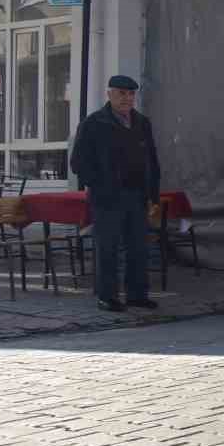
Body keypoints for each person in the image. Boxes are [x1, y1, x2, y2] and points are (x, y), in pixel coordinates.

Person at [70, 74, 162, 313]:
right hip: (107, 198)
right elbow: (78, 162)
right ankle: (107, 297)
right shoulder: (94, 123)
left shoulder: (142, 122)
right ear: (109, 94)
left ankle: (137, 295)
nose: (127, 98)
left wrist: (152, 193)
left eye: (131, 94)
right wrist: (101, 186)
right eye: (121, 93)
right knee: (107, 248)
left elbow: (152, 160)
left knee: (138, 248)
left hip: (136, 195)